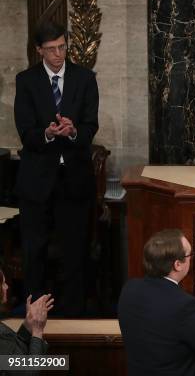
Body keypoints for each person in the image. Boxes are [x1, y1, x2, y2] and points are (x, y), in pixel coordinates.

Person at [13, 21, 99, 317]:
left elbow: (90, 127)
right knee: (34, 252)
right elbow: (25, 132)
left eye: (62, 47)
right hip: (37, 181)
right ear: (39, 51)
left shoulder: (85, 78)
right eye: (51, 49)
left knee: (75, 253)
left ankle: (73, 318)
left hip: (74, 180)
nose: (58, 54)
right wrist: (48, 133)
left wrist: (73, 131)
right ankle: (36, 316)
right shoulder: (26, 81)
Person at [118, 229, 195, 376]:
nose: (191, 258)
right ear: (178, 264)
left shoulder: (129, 290)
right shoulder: (189, 307)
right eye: (190, 255)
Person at [0, 268, 54, 360]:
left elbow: (15, 353)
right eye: (3, 283)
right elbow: (30, 371)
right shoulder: (3, 335)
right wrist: (37, 331)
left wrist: (27, 325)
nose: (7, 287)